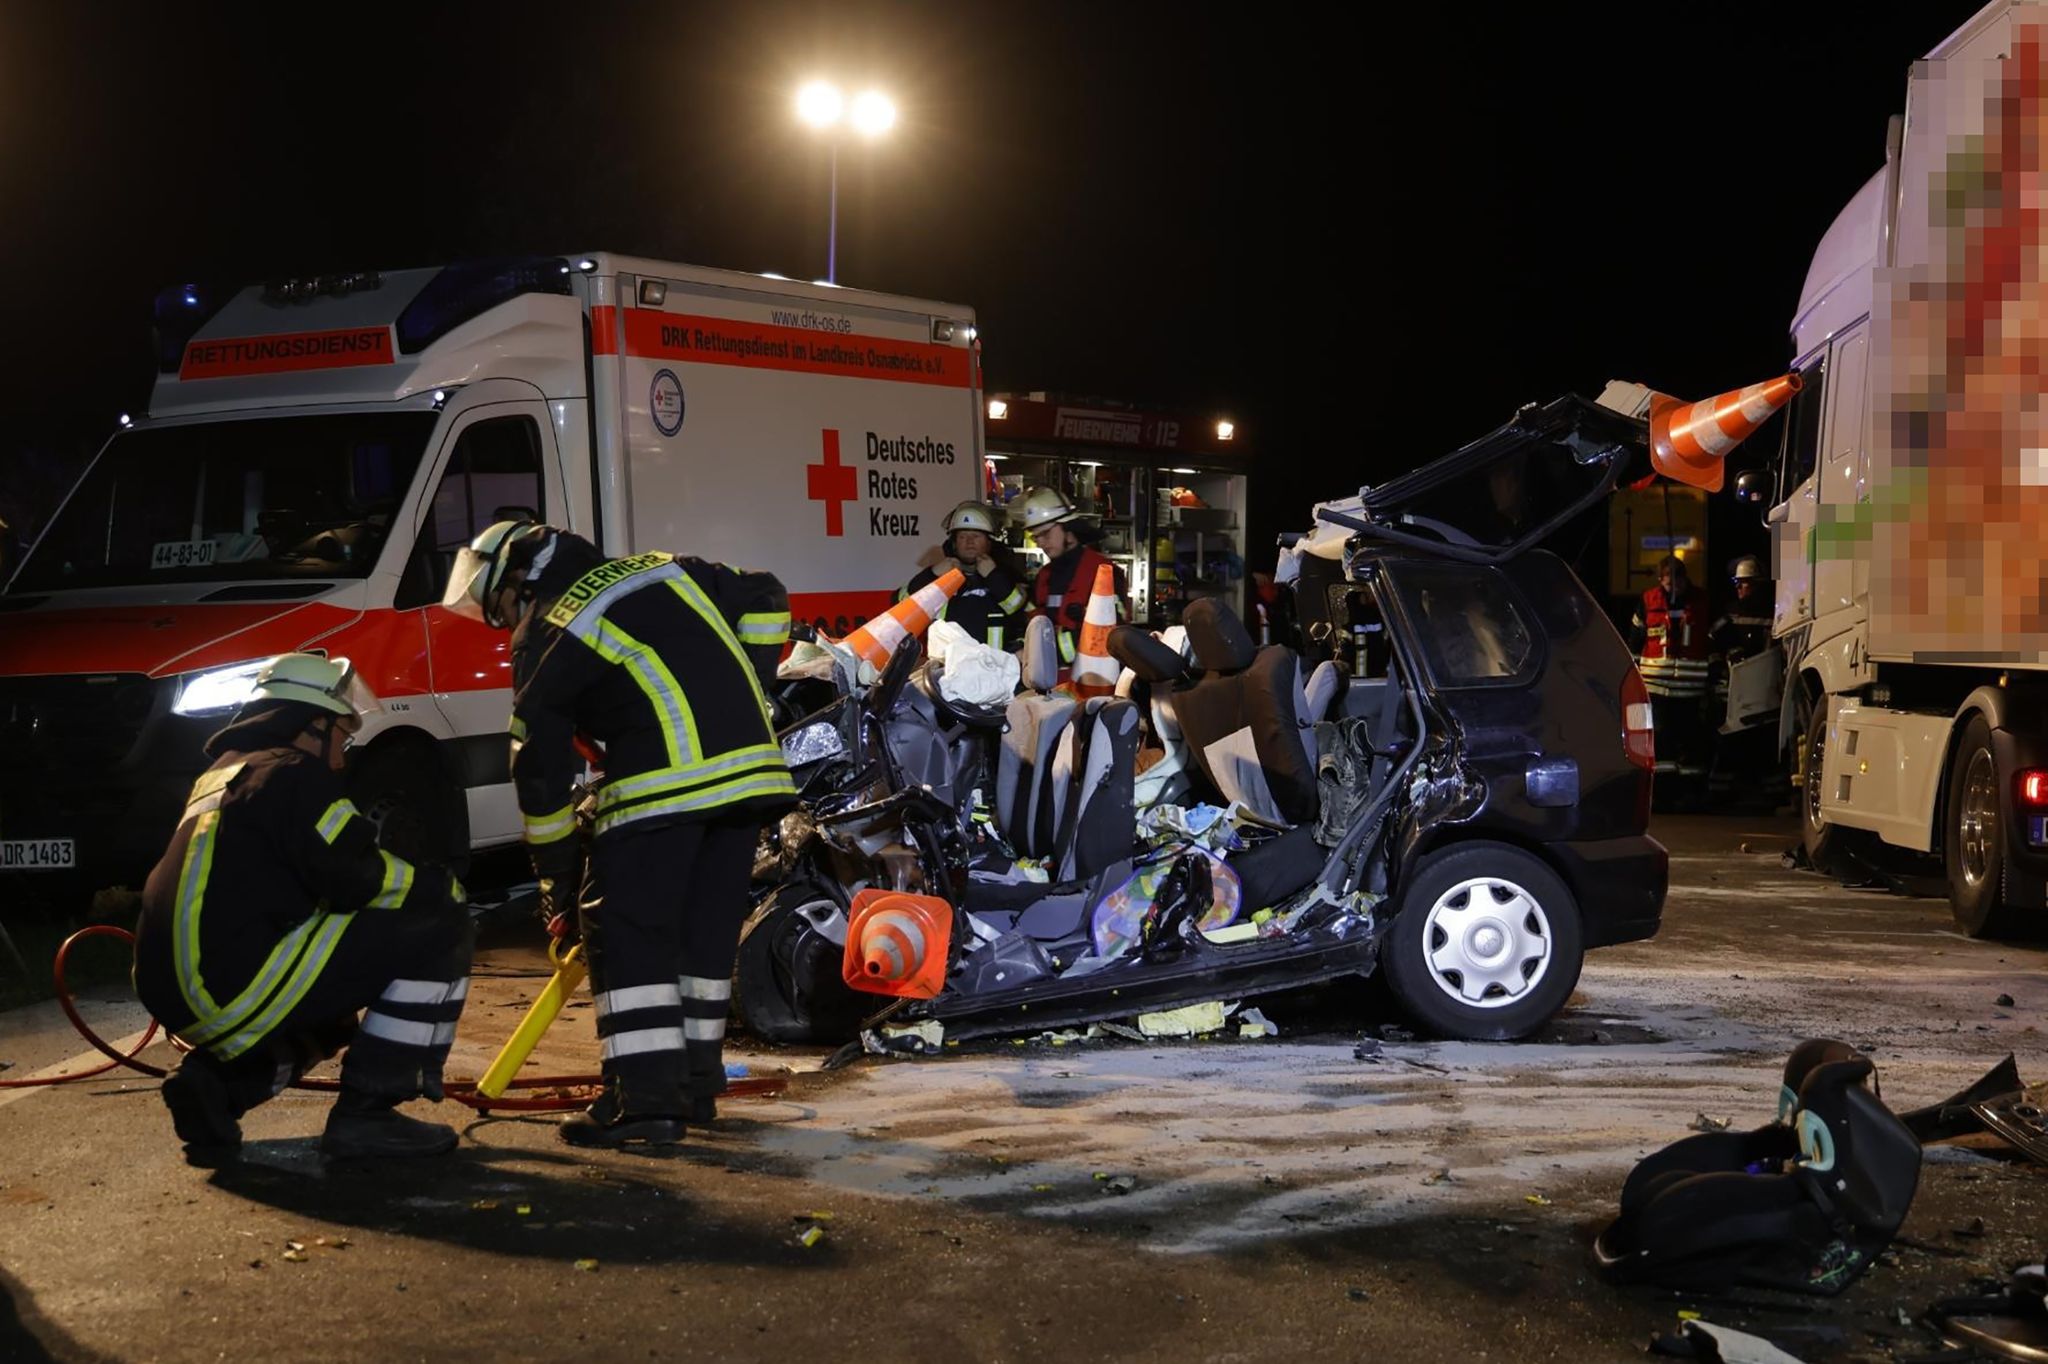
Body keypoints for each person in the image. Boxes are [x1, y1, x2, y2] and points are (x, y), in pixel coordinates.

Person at [444, 521, 796, 1148]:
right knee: (702, 941)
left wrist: (556, 882)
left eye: (495, 605)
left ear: (518, 578)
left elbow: (540, 772)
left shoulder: (548, 630)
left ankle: (643, 1105)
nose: (500, 622)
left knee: (628, 935)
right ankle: (692, 1085)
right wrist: (751, 684)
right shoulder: (666, 567)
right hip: (748, 779)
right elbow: (767, 595)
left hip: (660, 790)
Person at [133, 654, 473, 1165]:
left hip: (180, 991)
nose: (342, 757)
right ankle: (369, 1115)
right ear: (312, 724)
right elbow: (357, 876)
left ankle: (216, 1088)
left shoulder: (226, 773)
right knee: (438, 925)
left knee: (333, 1006)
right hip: (229, 988)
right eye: (342, 736)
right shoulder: (295, 773)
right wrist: (439, 889)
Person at [1016, 487, 1129, 676]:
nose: (1041, 543)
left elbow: (1111, 633)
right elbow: (1033, 622)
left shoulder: (1103, 571)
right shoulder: (1045, 575)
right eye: (1036, 537)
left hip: (1094, 681)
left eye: (1045, 534)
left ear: (1068, 528)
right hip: (1050, 681)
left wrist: (1045, 653)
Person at [1708, 555, 1789, 811]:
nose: (1741, 588)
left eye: (1746, 583)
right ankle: (1720, 796)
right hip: (1738, 691)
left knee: (1764, 747)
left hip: (1765, 690)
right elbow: (1714, 643)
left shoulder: (1774, 614)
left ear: (1758, 584)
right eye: (1738, 583)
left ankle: (1772, 796)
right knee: (1731, 745)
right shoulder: (1732, 612)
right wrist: (1723, 663)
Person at [1629, 554, 1713, 800]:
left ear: (1685, 579)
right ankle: (1664, 793)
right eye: (1668, 582)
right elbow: (1635, 639)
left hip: (1690, 687)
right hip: (1656, 685)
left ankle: (1691, 794)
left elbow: (1716, 633)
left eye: (1677, 581)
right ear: (1660, 580)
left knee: (1690, 739)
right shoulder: (1647, 601)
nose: (1673, 587)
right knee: (1661, 739)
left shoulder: (1701, 601)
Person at [901, 500, 1028, 651]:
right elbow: (905, 606)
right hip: (949, 670)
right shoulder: (941, 577)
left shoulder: (1007, 575)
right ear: (954, 543)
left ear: (989, 542)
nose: (969, 542)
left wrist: (993, 576)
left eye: (976, 536)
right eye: (962, 536)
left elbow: (1020, 609)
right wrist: (933, 574)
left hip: (995, 669)